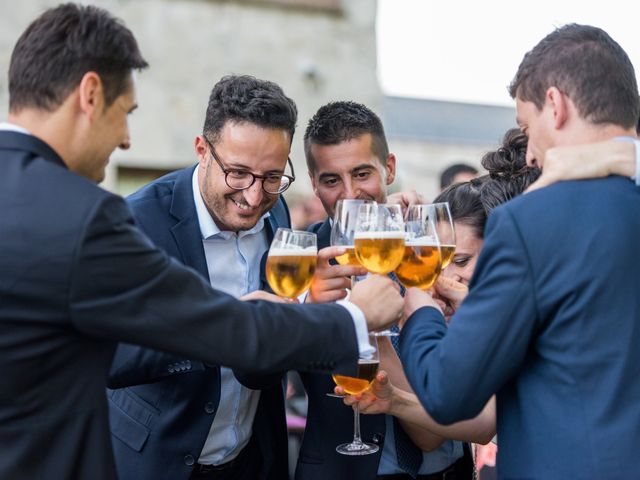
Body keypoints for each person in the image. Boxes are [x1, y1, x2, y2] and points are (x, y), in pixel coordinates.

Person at [0, 5, 403, 479]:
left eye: (272, 177)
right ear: (90, 95)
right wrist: (350, 318)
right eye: (125, 113)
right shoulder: (97, 215)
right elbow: (193, 330)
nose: (127, 139)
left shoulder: (277, 212)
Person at [369, 24, 640, 479]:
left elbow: (449, 391)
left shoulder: (533, 222)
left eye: (526, 127)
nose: (530, 154)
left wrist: (416, 299)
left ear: (555, 106)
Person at [107, 75, 301, 480]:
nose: (253, 197)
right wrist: (224, 329)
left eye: (271, 177)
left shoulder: (277, 210)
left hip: (252, 459)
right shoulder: (135, 222)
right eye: (238, 174)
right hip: (155, 460)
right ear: (202, 150)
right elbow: (110, 354)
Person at [296, 100, 469, 480]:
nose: (350, 194)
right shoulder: (302, 261)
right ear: (313, 184)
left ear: (388, 168)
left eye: (362, 174)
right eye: (331, 180)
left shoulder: (426, 243)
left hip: (451, 468)